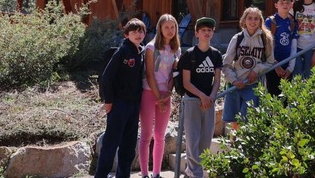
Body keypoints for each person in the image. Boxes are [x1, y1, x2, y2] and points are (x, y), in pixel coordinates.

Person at [95, 18, 146, 178]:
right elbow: (106, 77)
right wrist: (108, 101)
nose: (138, 34)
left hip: (134, 105)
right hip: (119, 104)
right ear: (126, 34)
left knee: (129, 146)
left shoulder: (142, 52)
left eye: (141, 31)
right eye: (134, 31)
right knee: (111, 143)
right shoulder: (123, 51)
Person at [138, 14, 181, 178]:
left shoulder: (177, 49)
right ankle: (144, 174)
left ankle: (156, 173)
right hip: (149, 93)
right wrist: (158, 97)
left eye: (172, 27)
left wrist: (167, 93)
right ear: (160, 29)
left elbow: (173, 74)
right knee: (146, 135)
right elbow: (149, 74)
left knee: (160, 136)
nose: (170, 31)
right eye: (166, 27)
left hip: (166, 95)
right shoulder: (151, 47)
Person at [180, 17, 223, 178]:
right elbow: (186, 82)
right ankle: (196, 174)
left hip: (209, 103)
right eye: (203, 30)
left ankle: (191, 172)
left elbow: (217, 80)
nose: (207, 33)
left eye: (209, 30)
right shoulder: (189, 55)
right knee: (192, 140)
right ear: (197, 33)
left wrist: (210, 97)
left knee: (205, 141)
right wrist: (201, 96)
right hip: (192, 100)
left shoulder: (216, 54)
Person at [222, 7, 275, 132]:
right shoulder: (237, 38)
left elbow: (270, 62)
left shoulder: (265, 39)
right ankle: (234, 148)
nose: (253, 21)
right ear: (244, 20)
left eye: (256, 18)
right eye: (250, 18)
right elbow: (226, 64)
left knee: (249, 120)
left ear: (260, 21)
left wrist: (257, 70)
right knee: (234, 122)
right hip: (235, 85)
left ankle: (245, 149)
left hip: (252, 85)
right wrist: (234, 80)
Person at [264, 0, 298, 96]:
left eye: (288, 3)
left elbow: (294, 46)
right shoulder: (270, 21)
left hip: (287, 67)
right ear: (276, 5)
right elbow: (267, 46)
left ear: (291, 5)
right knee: (273, 97)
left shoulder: (293, 23)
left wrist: (290, 68)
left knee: (286, 98)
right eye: (282, 3)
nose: (285, 5)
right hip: (272, 66)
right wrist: (275, 65)